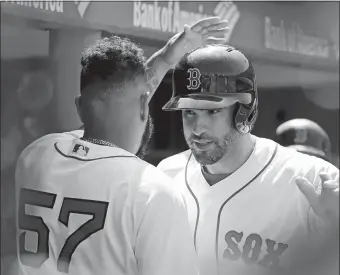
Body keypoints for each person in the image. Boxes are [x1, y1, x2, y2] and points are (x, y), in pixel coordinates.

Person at [14, 17, 229, 275]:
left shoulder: (36, 155)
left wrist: (163, 61)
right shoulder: (152, 190)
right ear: (143, 107)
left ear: (80, 108)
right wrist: (164, 61)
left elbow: (108, 108)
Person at [157, 44, 339, 275]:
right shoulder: (166, 174)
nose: (197, 128)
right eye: (189, 111)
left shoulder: (313, 181)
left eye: (213, 111)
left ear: (244, 110)